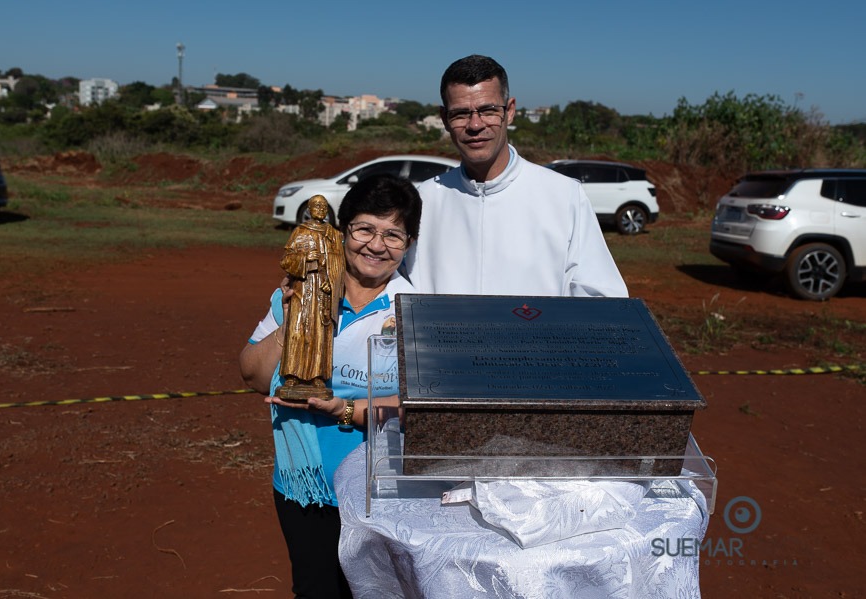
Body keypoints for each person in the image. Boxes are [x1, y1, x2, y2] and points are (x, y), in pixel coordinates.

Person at [239, 174, 421, 599]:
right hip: (306, 484)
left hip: (383, 490)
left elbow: (420, 407)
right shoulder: (300, 293)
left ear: (409, 244)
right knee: (316, 589)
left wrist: (345, 409)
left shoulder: (414, 308)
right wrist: (293, 316)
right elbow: (252, 376)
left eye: (393, 235)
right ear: (342, 230)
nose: (376, 245)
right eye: (364, 229)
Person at [404, 54, 629, 298]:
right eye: (460, 114)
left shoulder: (564, 196)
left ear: (510, 111)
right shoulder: (424, 201)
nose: (475, 125)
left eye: (488, 110)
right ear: (444, 119)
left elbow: (601, 297)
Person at [276, 195, 345, 398]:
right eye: (316, 205)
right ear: (309, 209)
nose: (321, 209)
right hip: (302, 289)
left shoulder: (334, 235)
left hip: (323, 291)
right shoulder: (301, 232)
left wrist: (332, 282)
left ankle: (318, 376)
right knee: (297, 330)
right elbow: (286, 260)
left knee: (320, 333)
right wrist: (305, 259)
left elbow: (340, 265)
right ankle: (292, 375)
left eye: (324, 206)